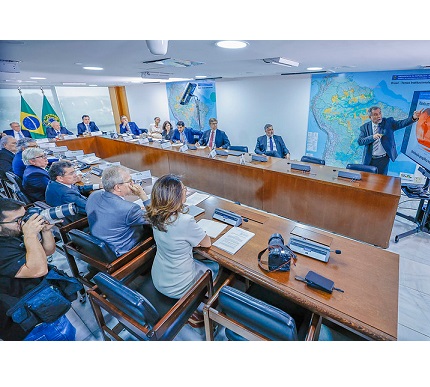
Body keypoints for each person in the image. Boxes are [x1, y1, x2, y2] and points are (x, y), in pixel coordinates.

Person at [0, 198, 76, 340]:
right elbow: (39, 269)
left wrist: (46, 231)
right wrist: (30, 235)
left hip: (41, 305)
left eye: (25, 216)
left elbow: (46, 252)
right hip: (30, 324)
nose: (24, 223)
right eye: (18, 220)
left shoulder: (9, 234)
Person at [146, 174, 219, 299]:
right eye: (184, 189)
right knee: (215, 266)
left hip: (159, 277)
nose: (186, 191)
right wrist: (198, 238)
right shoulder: (184, 221)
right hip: (178, 286)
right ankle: (199, 302)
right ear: (175, 196)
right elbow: (207, 243)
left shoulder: (154, 213)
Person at [86, 165, 151, 257]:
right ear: (117, 187)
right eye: (129, 181)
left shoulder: (94, 195)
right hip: (122, 252)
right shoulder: (129, 209)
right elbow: (155, 218)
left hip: (98, 247)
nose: (133, 183)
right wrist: (143, 195)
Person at [358, 106, 423, 175]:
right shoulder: (364, 127)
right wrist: (372, 137)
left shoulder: (388, 122)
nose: (379, 116)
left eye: (380, 113)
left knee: (381, 181)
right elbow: (360, 141)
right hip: (369, 159)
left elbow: (401, 124)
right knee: (367, 180)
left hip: (383, 159)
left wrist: (413, 117)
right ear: (370, 117)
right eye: (375, 114)